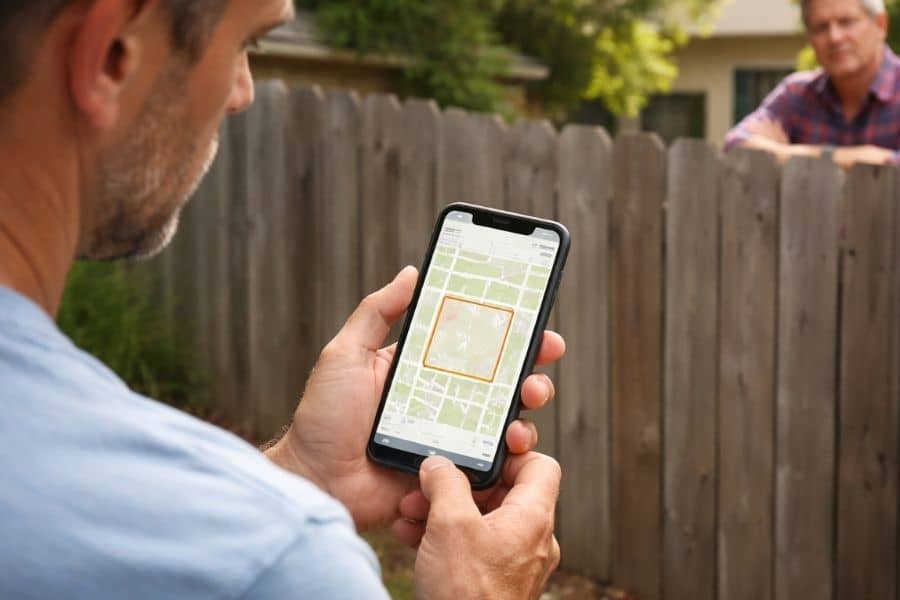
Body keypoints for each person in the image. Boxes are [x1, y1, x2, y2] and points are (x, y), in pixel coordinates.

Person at [0, 1, 564, 598]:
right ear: (110, 55)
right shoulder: (280, 565)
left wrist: (301, 474)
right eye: (248, 43)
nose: (242, 93)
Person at [724, 0, 900, 173]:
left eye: (847, 22)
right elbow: (735, 146)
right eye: (821, 27)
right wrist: (853, 158)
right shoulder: (797, 94)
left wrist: (788, 155)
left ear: (881, 25)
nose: (835, 37)